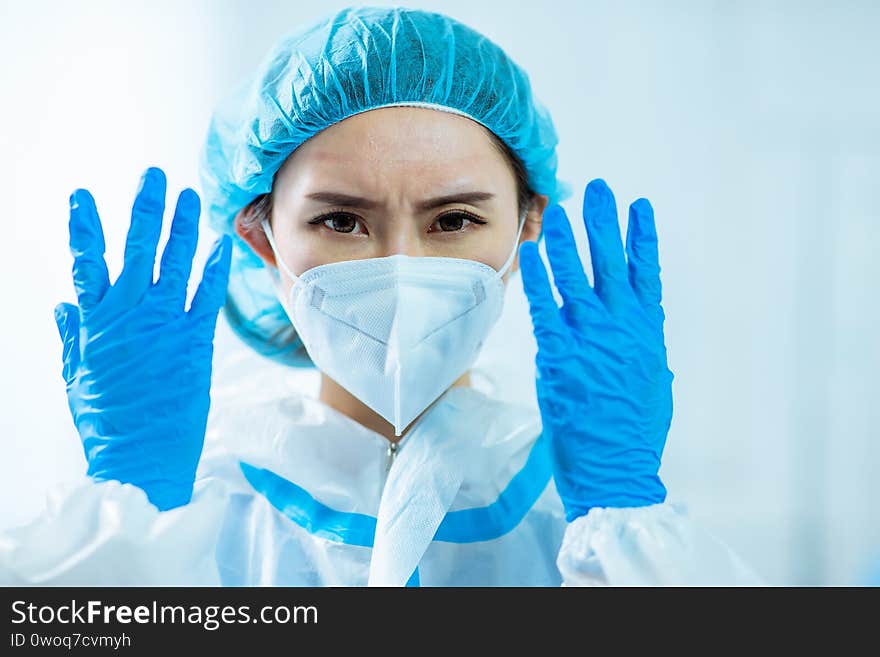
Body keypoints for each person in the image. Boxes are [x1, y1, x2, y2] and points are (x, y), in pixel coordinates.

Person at [0, 5, 760, 586]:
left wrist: (623, 517)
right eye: (341, 219)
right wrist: (128, 515)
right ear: (262, 239)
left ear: (529, 226)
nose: (401, 263)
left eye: (454, 218)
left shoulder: (581, 515)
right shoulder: (200, 509)